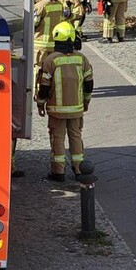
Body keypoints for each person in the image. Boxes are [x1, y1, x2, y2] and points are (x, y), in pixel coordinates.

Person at [36, 21, 93, 182]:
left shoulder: (51, 60)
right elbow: (89, 83)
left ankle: (58, 172)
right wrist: (86, 101)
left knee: (57, 138)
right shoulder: (81, 59)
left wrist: (41, 103)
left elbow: (44, 87)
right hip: (76, 108)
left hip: (56, 110)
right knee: (76, 136)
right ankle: (79, 170)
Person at [34, 0, 65, 80]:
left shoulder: (40, 6)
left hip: (40, 45)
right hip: (55, 45)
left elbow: (33, 23)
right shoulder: (59, 5)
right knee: (51, 70)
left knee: (38, 70)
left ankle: (36, 93)